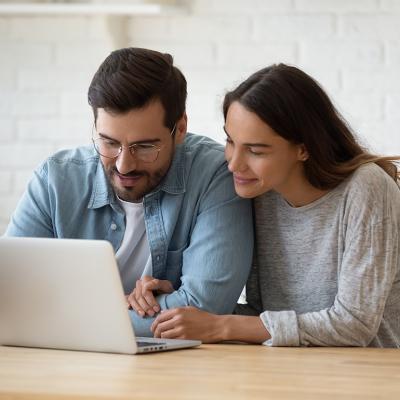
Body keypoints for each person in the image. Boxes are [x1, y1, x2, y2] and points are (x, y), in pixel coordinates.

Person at [5, 47, 254, 337]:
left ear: (181, 127)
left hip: (177, 369)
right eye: (109, 143)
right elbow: (12, 297)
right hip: (66, 363)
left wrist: (69, 319)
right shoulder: (55, 180)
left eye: (145, 146)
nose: (124, 165)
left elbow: (205, 307)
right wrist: (120, 311)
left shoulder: (215, 175)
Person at [146, 63, 400, 347]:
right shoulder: (261, 193)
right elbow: (264, 318)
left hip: (368, 378)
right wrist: (178, 302)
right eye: (230, 141)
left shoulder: (366, 189)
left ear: (304, 148)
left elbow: (354, 324)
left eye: (255, 150)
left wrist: (222, 325)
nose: (233, 163)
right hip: (287, 373)